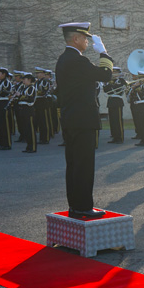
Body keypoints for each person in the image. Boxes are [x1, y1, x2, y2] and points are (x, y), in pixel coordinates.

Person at [55, 21, 113, 218]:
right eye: (85, 39)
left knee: (73, 165)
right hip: (83, 120)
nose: (88, 42)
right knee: (84, 165)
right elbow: (106, 75)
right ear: (76, 38)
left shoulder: (63, 59)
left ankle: (75, 205)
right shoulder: (78, 61)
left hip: (71, 118)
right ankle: (83, 206)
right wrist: (103, 53)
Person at [15, 72, 38, 153]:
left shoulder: (32, 88)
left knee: (30, 129)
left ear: (29, 80)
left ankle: (33, 147)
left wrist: (19, 96)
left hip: (28, 109)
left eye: (24, 79)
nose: (23, 81)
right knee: (26, 129)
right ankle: (28, 146)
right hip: (22, 109)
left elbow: (29, 98)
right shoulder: (23, 88)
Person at [129, 72, 144, 146]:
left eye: (141, 78)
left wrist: (137, 88)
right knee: (139, 124)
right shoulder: (137, 86)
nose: (140, 79)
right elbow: (132, 96)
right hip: (137, 106)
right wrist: (133, 88)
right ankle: (142, 139)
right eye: (139, 78)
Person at [104, 66, 127, 143]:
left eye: (115, 72)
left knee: (118, 120)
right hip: (111, 101)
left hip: (117, 100)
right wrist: (107, 84)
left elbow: (119, 89)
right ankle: (114, 136)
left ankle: (120, 137)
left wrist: (111, 84)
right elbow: (106, 90)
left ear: (119, 73)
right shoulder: (109, 80)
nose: (114, 74)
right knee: (112, 120)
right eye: (113, 72)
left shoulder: (121, 81)